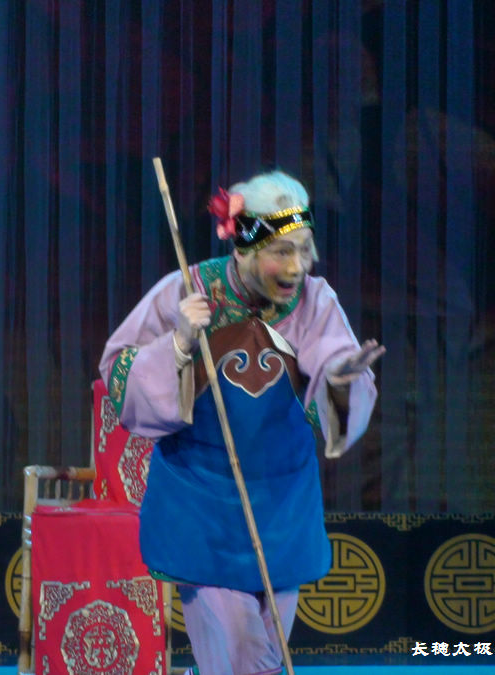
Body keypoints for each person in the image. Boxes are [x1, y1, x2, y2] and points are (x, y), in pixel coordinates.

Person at [100, 170, 383, 675]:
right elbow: (118, 372)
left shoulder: (315, 301)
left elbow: (333, 367)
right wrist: (179, 344)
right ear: (244, 248)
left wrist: (341, 380)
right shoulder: (187, 290)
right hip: (202, 501)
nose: (296, 267)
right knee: (242, 652)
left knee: (265, 649)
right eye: (282, 252)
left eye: (304, 250)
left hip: (282, 502)